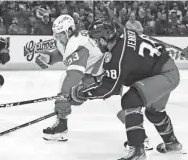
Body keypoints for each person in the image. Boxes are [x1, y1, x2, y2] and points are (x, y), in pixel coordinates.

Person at [69, 18, 185, 159]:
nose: (94, 43)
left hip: (164, 75)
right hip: (164, 69)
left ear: (103, 40)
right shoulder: (124, 32)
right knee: (154, 113)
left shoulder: (117, 56)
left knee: (131, 100)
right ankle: (172, 144)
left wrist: (81, 94)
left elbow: (108, 89)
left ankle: (137, 151)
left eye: (95, 40)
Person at [35, 14, 104, 141]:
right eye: (55, 34)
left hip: (105, 75)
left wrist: (62, 100)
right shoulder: (69, 40)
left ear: (70, 31)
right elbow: (62, 54)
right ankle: (61, 126)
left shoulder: (77, 43)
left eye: (60, 34)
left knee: (125, 103)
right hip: (93, 72)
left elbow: (74, 75)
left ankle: (140, 138)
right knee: (64, 80)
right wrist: (49, 57)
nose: (57, 37)